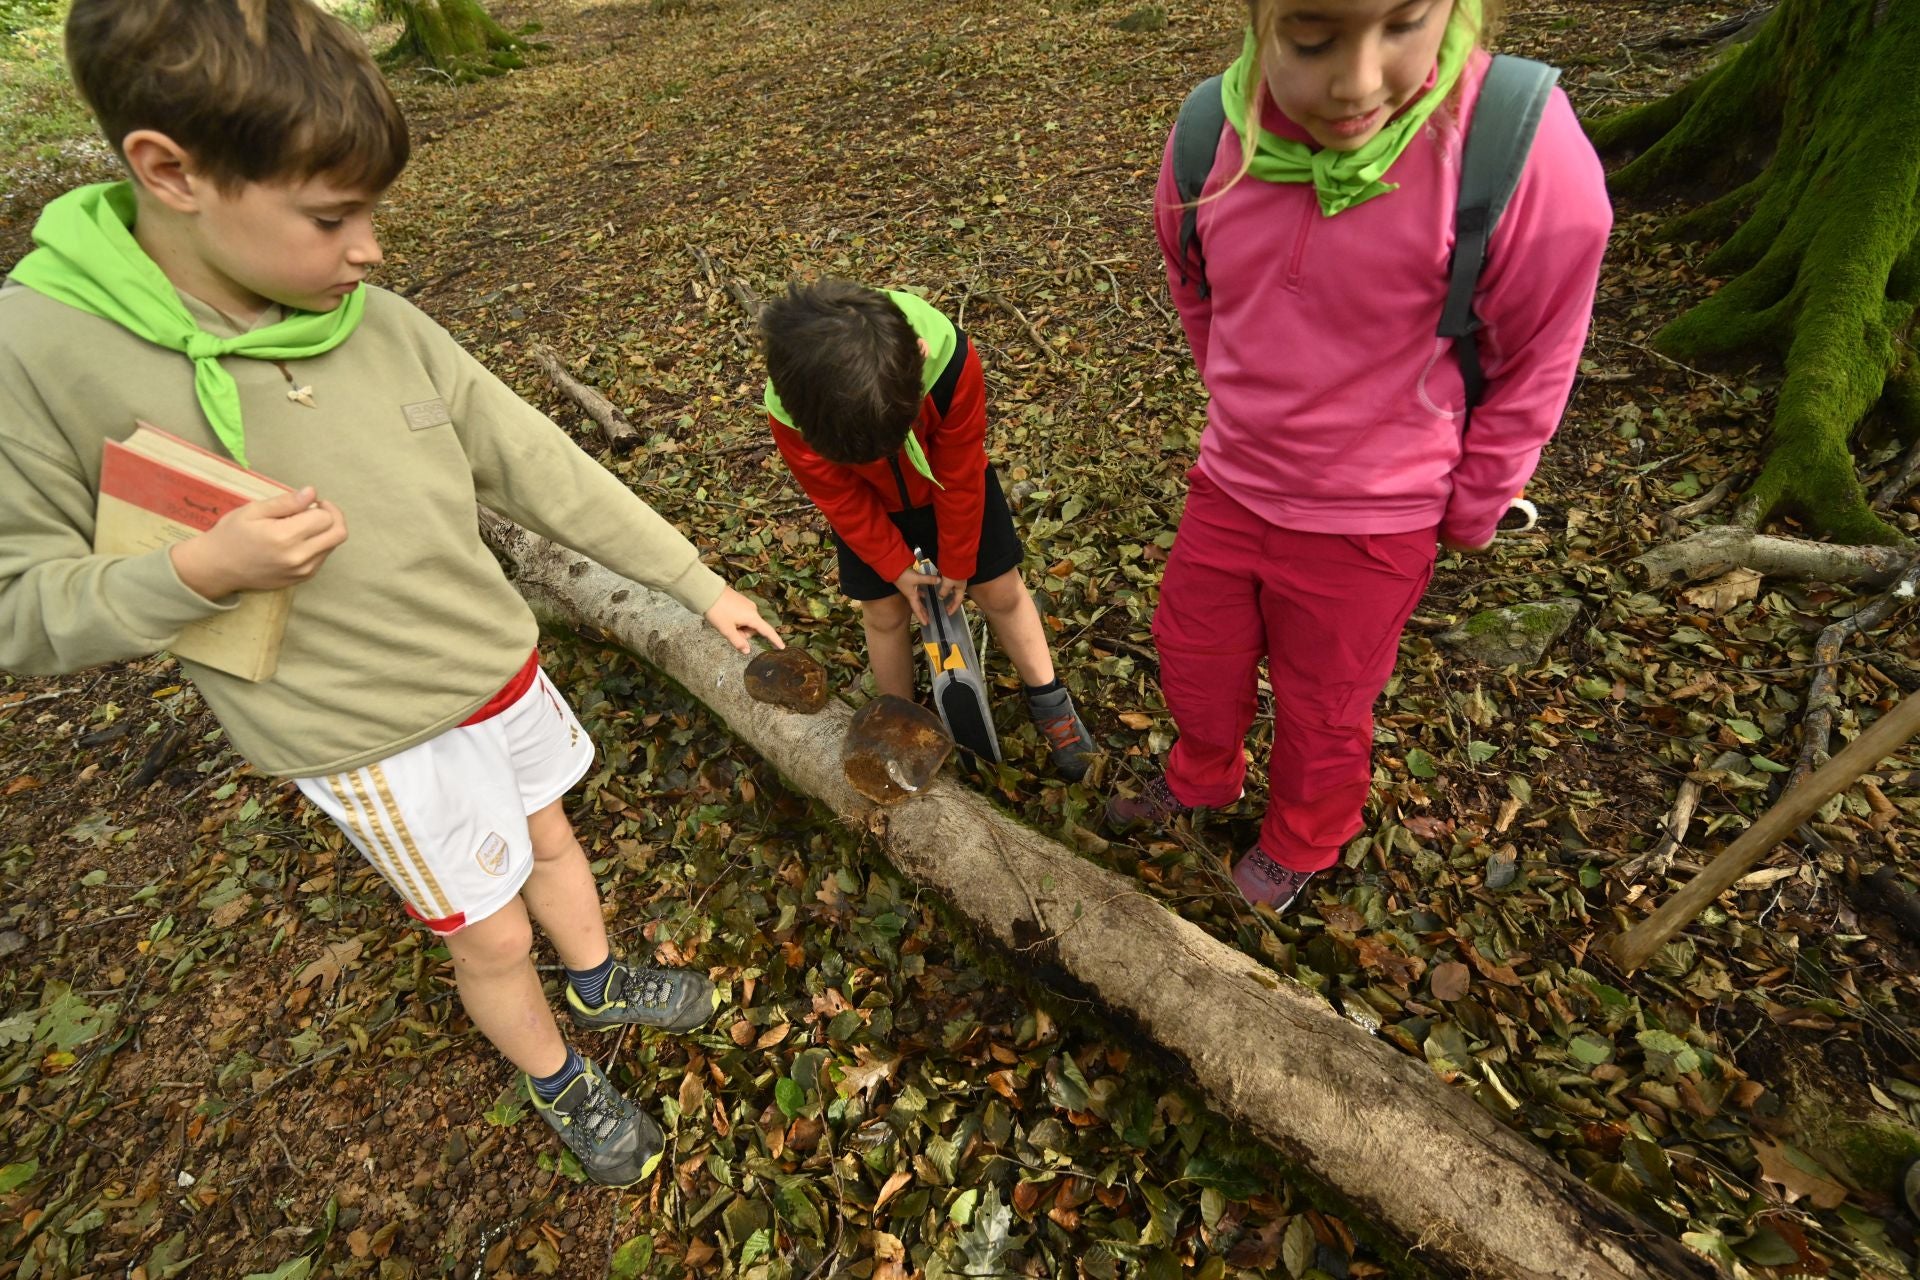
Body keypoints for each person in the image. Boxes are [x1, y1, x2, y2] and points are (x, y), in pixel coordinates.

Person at [0, 0, 783, 1187]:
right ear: (169, 171)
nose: (370, 248)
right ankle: (556, 1071)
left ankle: (601, 975)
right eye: (331, 216)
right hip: (367, 732)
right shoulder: (40, 351)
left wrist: (693, 578)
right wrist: (196, 572)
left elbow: (534, 457)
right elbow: (20, 605)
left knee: (552, 839)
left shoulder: (384, 323)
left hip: (495, 670)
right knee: (490, 925)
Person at [1106, 0, 1610, 911]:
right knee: (1192, 650)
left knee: (1325, 702)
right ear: (1256, 19)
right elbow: (1196, 279)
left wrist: (1475, 503)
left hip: (1375, 518)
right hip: (1231, 482)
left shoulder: (1514, 145)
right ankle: (1202, 773)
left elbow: (1539, 354)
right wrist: (1243, 393)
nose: (1356, 80)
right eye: (1311, 37)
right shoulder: (1207, 136)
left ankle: (1305, 834)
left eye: (1402, 25)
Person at [758, 279, 1095, 779]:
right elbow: (838, 495)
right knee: (884, 613)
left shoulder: (950, 362)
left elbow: (960, 472)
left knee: (1000, 590)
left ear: (917, 356)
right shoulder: (792, 407)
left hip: (950, 484)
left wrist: (958, 562)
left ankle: (1050, 701)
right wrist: (895, 567)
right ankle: (896, 718)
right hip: (869, 505)